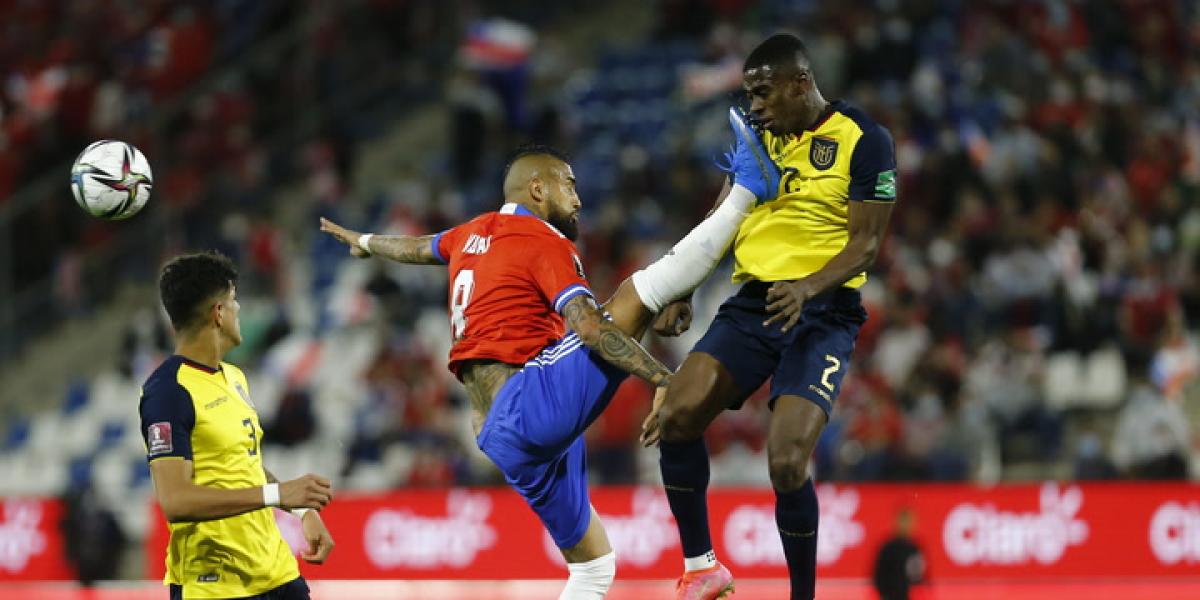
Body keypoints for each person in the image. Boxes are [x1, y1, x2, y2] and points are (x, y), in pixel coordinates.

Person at [319, 109, 779, 599]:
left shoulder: (470, 234)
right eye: (569, 185)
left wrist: (366, 242)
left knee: (594, 567)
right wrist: (665, 381)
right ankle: (749, 189)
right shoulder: (541, 240)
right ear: (538, 189)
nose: (578, 199)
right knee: (637, 292)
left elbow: (416, 248)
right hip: (527, 404)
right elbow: (589, 328)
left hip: (497, 433)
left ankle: (743, 187)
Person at [645, 33, 898, 600]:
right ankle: (702, 566)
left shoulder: (865, 140)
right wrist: (687, 284)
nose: (754, 106)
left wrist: (807, 287)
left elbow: (866, 245)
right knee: (677, 416)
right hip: (753, 304)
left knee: (786, 462)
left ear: (800, 83)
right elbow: (723, 212)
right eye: (749, 95)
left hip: (823, 312)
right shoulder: (759, 137)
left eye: (763, 93)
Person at [140, 252, 336, 600]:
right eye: (233, 300)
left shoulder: (235, 378)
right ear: (218, 313)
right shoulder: (168, 392)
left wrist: (303, 510)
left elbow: (244, 466)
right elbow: (175, 500)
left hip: (278, 574)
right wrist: (278, 494)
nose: (239, 309)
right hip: (214, 588)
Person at [872, 506, 926, 600]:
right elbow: (878, 575)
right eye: (903, 521)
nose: (906, 525)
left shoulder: (914, 549)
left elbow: (920, 578)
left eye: (908, 521)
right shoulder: (888, 548)